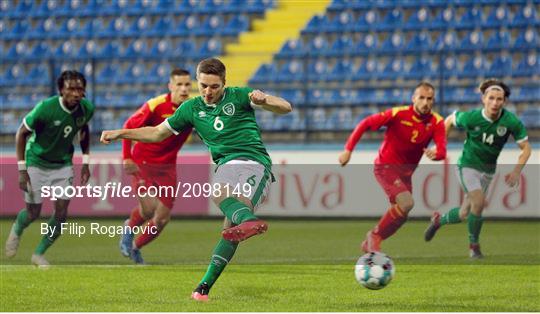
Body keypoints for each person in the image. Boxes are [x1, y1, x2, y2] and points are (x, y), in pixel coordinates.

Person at [100, 58, 292, 301]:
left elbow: (286, 107)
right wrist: (120, 133)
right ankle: (205, 285)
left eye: (214, 87)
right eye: (203, 86)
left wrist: (266, 100)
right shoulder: (190, 109)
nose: (208, 92)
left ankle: (241, 230)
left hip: (255, 163)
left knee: (227, 210)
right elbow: (157, 132)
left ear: (225, 83)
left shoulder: (241, 96)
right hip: (226, 164)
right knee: (228, 223)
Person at [424, 79, 531, 258]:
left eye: (499, 99)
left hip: (488, 171)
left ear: (504, 102)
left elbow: (526, 148)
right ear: (483, 99)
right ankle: (474, 246)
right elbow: (449, 120)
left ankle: (438, 220)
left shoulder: (510, 121)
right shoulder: (472, 117)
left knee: (464, 212)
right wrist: (440, 147)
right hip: (467, 165)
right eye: (491, 98)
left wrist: (516, 171)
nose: (495, 103)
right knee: (479, 202)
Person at [339, 82, 447, 253]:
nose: (425, 102)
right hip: (385, 166)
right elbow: (366, 123)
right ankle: (374, 237)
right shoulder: (399, 114)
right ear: (414, 99)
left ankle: (371, 242)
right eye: (421, 98)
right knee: (407, 203)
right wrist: (348, 150)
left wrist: (437, 154)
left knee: (402, 213)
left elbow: (442, 150)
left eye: (429, 99)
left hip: (406, 173)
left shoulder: (437, 122)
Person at [5, 70, 94, 266]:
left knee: (61, 213)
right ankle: (18, 229)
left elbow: (84, 128)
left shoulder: (86, 109)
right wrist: (22, 170)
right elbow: (21, 134)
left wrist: (86, 162)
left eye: (80, 89)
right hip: (36, 161)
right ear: (61, 90)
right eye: (71, 89)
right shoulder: (46, 108)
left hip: (63, 164)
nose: (76, 93)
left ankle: (38, 254)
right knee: (32, 213)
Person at [119, 68, 192, 264]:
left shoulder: (194, 109)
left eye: (187, 84)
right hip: (143, 162)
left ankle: (136, 247)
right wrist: (127, 157)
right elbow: (128, 126)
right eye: (179, 84)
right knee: (149, 208)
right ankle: (129, 226)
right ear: (170, 86)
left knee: (161, 219)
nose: (184, 89)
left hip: (168, 167)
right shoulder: (156, 105)